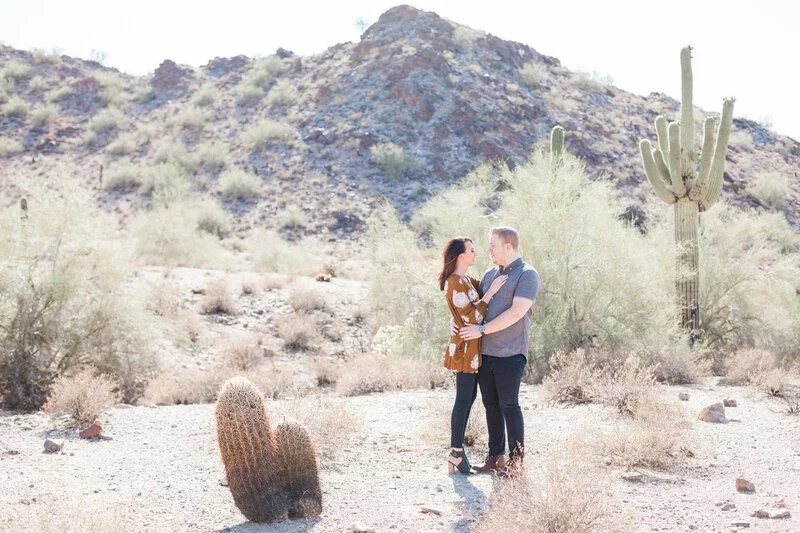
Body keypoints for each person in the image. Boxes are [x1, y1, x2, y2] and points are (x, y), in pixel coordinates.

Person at [458, 226, 540, 477]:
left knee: (509, 406)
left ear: (508, 246)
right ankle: (496, 458)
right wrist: (460, 321)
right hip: (486, 353)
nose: (488, 250)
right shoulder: (490, 274)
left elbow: (517, 313)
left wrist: (481, 330)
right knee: (490, 405)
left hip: (511, 352)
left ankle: (517, 465)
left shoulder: (527, 275)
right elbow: (476, 307)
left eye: (492, 245)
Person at [439, 237, 507, 475]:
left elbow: (467, 308)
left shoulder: (466, 280)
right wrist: (489, 295)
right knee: (463, 399)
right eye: (471, 250)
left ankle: (457, 453)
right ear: (460, 255)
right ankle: (456, 452)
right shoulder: (454, 282)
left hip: (472, 349)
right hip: (465, 349)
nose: (475, 253)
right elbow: (472, 318)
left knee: (468, 399)